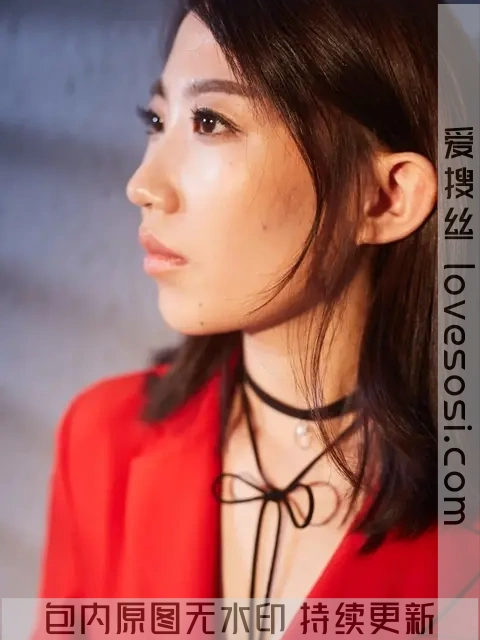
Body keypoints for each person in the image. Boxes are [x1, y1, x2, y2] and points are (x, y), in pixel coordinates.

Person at [34, 0, 478, 638]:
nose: (143, 184)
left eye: (210, 121)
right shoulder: (103, 440)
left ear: (385, 198)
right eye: (158, 120)